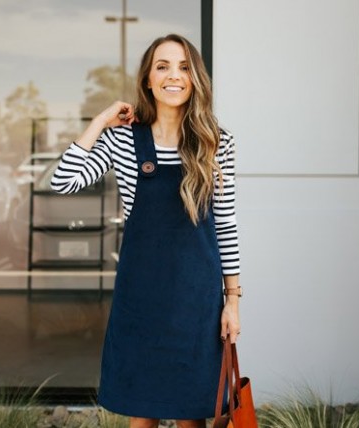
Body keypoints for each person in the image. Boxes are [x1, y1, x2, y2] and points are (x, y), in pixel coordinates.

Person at [51, 34, 241, 428]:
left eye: (184, 67)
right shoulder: (123, 139)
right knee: (143, 415)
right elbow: (63, 181)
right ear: (148, 79)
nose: (175, 76)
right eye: (163, 66)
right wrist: (100, 121)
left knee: (192, 416)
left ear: (196, 79)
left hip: (197, 301)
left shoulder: (215, 142)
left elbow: (225, 223)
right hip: (142, 300)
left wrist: (233, 301)